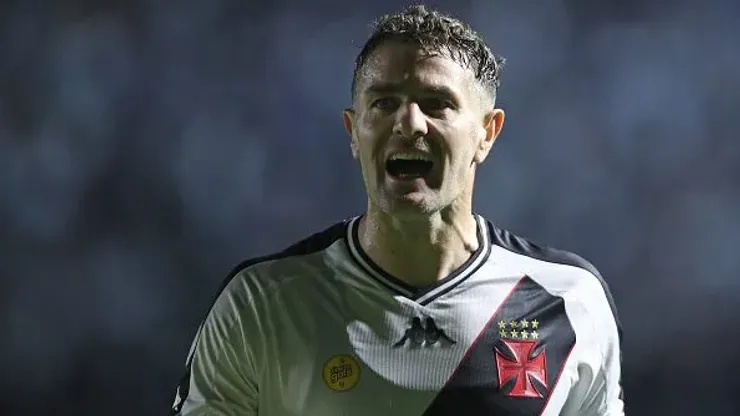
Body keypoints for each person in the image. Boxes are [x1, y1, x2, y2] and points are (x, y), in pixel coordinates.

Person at [169, 4, 624, 415]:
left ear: (488, 133)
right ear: (353, 130)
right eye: (384, 102)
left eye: (437, 103)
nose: (409, 123)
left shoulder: (567, 301)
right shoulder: (262, 306)